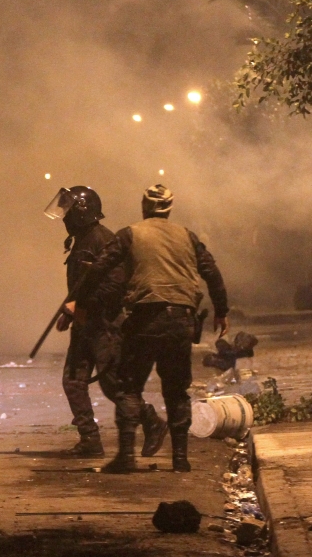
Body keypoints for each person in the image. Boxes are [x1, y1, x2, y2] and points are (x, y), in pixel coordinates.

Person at [86, 184, 229, 473]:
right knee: (176, 390)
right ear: (170, 208)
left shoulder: (130, 234)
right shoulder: (187, 236)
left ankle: (126, 457)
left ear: (144, 206)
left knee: (129, 387)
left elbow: (99, 267)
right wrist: (221, 312)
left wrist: (81, 301)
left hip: (144, 320)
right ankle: (180, 459)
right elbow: (212, 273)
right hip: (181, 323)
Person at [44, 186, 168, 458]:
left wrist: (82, 306)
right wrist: (70, 311)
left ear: (81, 211)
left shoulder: (102, 239)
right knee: (73, 381)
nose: (64, 217)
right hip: (85, 325)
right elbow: (83, 285)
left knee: (114, 385)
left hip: (106, 326)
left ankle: (151, 421)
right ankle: (90, 440)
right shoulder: (83, 239)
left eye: (68, 211)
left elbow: (115, 286)